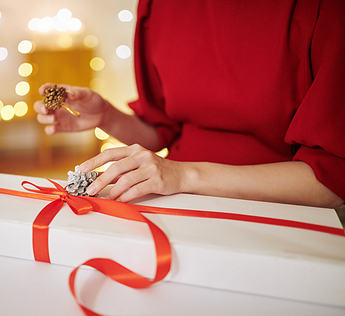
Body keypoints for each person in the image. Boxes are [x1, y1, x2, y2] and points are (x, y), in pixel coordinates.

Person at [34, 0, 345, 208]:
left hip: (275, 210)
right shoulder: (159, 6)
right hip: (173, 201)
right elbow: (163, 132)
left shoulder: (324, 9)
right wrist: (107, 116)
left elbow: (332, 180)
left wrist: (184, 175)